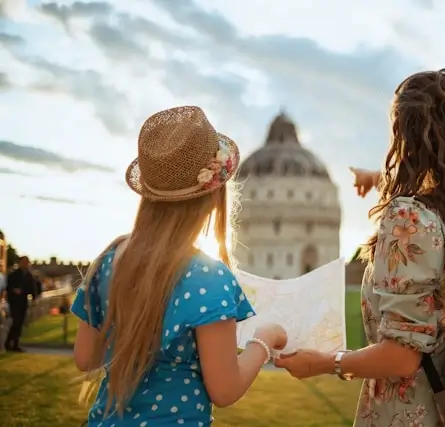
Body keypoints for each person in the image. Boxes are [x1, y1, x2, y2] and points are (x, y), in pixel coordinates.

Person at [276, 69, 445, 426]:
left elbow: (401, 357)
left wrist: (324, 362)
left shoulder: (408, 218)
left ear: (406, 135)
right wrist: (380, 178)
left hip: (410, 412)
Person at [70, 106, 287, 426]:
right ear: (214, 195)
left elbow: (85, 358)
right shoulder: (208, 277)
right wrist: (263, 342)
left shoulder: (110, 259)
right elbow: (225, 390)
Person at [4, 256, 38, 352]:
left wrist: (34, 299)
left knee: (19, 324)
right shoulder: (13, 275)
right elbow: (8, 288)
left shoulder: (29, 276)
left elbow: (33, 288)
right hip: (14, 302)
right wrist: (14, 290)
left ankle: (14, 344)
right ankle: (9, 343)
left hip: (23, 302)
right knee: (16, 322)